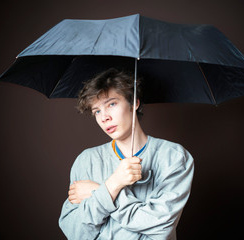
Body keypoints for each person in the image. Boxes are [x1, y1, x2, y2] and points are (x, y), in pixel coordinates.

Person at [59, 68, 194, 240]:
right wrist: (113, 184)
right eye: (97, 111)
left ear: (134, 103)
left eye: (111, 104)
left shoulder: (174, 157)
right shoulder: (87, 161)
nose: (104, 117)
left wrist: (99, 191)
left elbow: (161, 226)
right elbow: (75, 233)